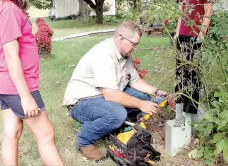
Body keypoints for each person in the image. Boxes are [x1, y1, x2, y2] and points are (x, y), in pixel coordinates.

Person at [0, 0, 64, 166]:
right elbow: (11, 55)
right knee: (46, 135)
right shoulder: (9, 10)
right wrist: (26, 97)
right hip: (17, 86)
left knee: (12, 131)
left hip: (3, 83)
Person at [63, 22, 167, 161]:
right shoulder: (104, 55)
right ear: (120, 38)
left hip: (105, 95)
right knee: (118, 114)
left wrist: (156, 91)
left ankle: (118, 127)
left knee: (144, 98)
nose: (135, 48)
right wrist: (140, 104)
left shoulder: (123, 55)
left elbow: (135, 81)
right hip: (83, 102)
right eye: (134, 44)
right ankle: (85, 140)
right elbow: (111, 95)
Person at [174, 0, 216, 114]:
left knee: (192, 70)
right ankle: (178, 105)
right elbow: (182, 10)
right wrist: (176, 32)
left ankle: (191, 109)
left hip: (195, 35)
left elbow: (208, 10)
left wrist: (202, 33)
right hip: (182, 33)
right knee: (180, 70)